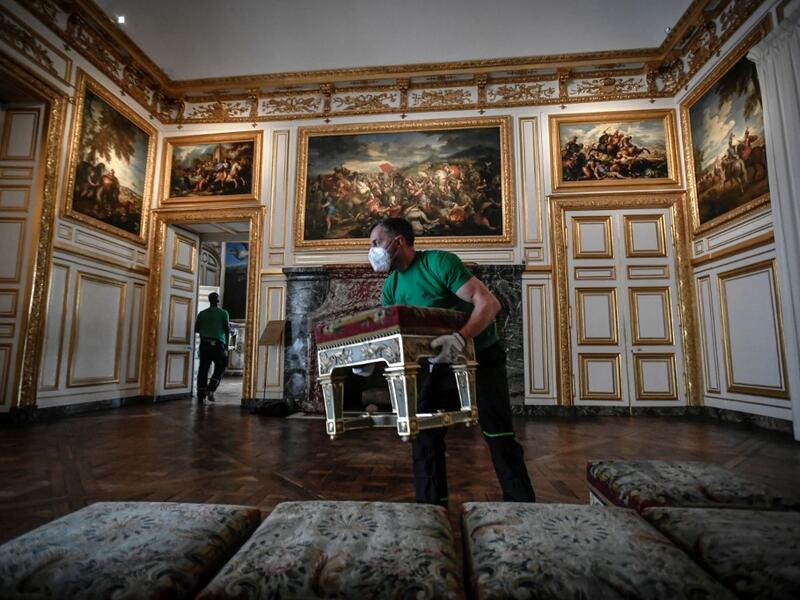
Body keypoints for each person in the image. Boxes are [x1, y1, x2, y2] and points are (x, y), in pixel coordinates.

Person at [362, 217, 536, 506]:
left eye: (376, 242)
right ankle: (431, 508)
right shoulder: (391, 286)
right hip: (437, 364)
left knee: (498, 433)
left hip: (480, 357)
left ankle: (522, 506)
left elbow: (489, 304)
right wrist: (368, 359)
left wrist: (460, 338)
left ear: (398, 242)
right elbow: (392, 337)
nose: (372, 250)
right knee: (424, 434)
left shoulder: (439, 263)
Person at [194, 292, 229, 402]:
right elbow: (227, 330)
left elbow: (197, 329)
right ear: (218, 301)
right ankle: (211, 388)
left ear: (209, 300)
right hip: (217, 345)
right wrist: (226, 345)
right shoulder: (223, 313)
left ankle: (200, 395)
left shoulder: (202, 313)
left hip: (204, 345)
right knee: (222, 364)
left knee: (203, 369)